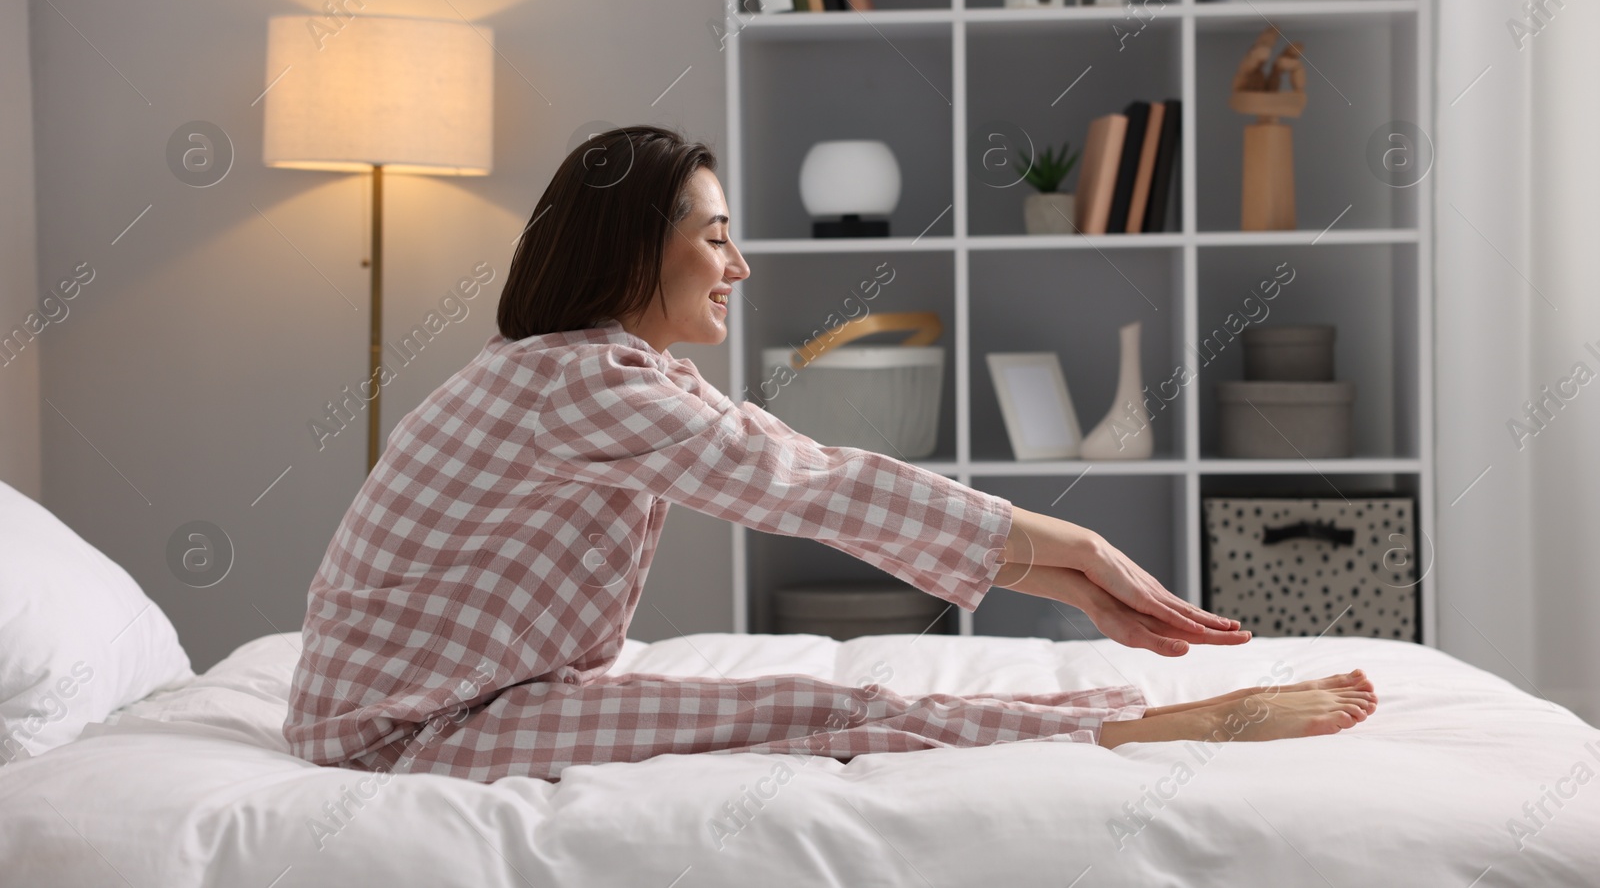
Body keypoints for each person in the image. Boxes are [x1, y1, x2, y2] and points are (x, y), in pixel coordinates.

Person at [283, 125, 1375, 784]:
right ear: (630, 244)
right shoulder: (579, 383)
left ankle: (1129, 717)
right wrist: (1079, 545)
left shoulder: (609, 370)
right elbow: (807, 490)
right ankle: (1145, 726)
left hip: (465, 699)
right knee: (812, 711)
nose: (739, 264)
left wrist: (1072, 579)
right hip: (404, 735)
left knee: (810, 702)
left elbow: (791, 455)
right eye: (715, 234)